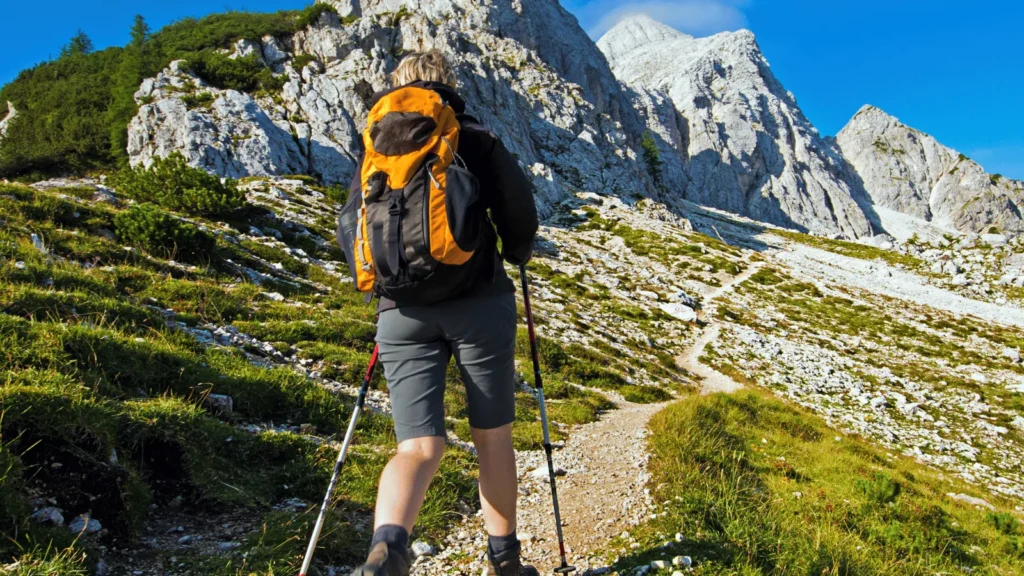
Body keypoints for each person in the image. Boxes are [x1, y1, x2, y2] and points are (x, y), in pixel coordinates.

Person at [351, 49, 540, 576]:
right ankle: (505, 562)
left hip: (401, 310)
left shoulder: (374, 145)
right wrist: (516, 251)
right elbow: (519, 213)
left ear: (395, 86)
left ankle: (388, 547)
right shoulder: (472, 136)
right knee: (492, 436)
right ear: (449, 84)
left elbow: (353, 228)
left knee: (416, 443)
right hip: (479, 303)